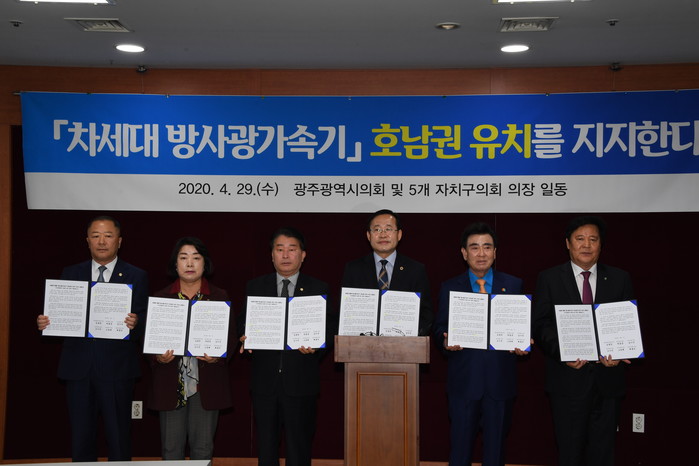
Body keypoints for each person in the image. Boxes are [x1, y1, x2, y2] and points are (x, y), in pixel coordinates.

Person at [36, 215, 148, 461]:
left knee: (119, 439)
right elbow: (61, 314)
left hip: (117, 369)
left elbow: (145, 319)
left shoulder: (136, 275)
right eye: (96, 236)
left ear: (119, 241)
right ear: (87, 241)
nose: (102, 241)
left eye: (108, 236)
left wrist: (136, 322)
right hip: (78, 368)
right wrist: (47, 323)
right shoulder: (70, 273)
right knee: (81, 438)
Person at [532, 216, 635, 466]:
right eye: (580, 239)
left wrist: (620, 352)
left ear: (601, 244)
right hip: (567, 382)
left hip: (608, 381)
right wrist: (564, 353)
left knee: (603, 453)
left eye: (593, 239)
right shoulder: (549, 278)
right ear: (568, 243)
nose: (586, 245)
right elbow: (541, 324)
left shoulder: (620, 278)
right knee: (569, 453)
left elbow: (626, 324)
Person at [434, 222, 527, 466]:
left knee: (496, 452)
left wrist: (523, 342)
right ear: (464, 253)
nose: (481, 253)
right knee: (460, 451)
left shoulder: (513, 285)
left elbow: (522, 325)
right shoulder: (450, 287)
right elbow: (439, 327)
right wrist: (445, 340)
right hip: (464, 382)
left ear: (495, 252)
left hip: (500, 382)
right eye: (474, 247)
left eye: (487, 247)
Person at [238, 227, 330, 466]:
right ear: (272, 255)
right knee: (266, 447)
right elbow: (243, 323)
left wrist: (317, 347)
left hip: (301, 382)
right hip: (265, 382)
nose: (286, 255)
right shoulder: (255, 287)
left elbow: (328, 330)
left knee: (299, 448)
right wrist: (244, 337)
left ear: (303, 255)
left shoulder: (318, 289)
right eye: (280, 249)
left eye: (292, 249)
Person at [148, 237, 232, 460]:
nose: (190, 263)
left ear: (205, 263)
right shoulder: (160, 298)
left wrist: (217, 356)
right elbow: (149, 340)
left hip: (207, 384)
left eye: (196, 258)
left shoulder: (219, 296)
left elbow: (230, 338)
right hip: (170, 383)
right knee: (171, 450)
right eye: (183, 258)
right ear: (175, 264)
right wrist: (158, 357)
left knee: (203, 449)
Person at [341, 208, 432, 336]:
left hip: (404, 344)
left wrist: (410, 336)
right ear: (368, 235)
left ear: (399, 234)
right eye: (377, 230)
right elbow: (346, 311)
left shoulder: (415, 270)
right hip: (363, 343)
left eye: (388, 229)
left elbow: (425, 314)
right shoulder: (354, 269)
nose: (383, 235)